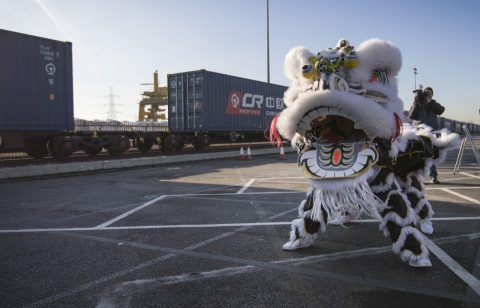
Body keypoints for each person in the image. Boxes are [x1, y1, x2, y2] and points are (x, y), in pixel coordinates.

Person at [409, 86, 445, 184]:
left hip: (432, 133)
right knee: (419, 156)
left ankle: (433, 176)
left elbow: (441, 110)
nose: (427, 94)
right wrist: (417, 101)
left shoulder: (433, 104)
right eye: (426, 92)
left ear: (432, 94)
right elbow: (412, 115)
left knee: (432, 155)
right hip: (420, 133)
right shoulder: (418, 103)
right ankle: (417, 178)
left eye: (430, 93)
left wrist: (430, 101)